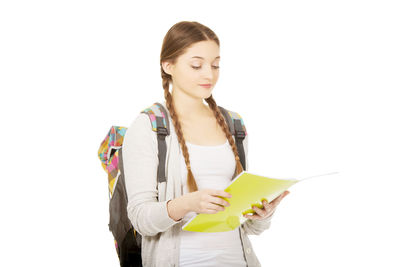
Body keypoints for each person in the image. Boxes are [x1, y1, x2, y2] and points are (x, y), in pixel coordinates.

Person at [122, 21, 290, 267]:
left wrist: (262, 215)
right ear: (168, 66)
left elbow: (248, 226)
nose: (209, 75)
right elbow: (140, 219)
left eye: (215, 65)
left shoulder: (234, 124)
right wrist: (187, 203)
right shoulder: (149, 126)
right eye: (196, 65)